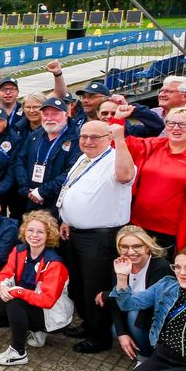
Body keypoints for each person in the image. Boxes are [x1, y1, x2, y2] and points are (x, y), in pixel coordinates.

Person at [57, 121, 137, 354]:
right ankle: (87, 324)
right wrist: (67, 218)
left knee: (96, 286)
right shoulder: (85, 158)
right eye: (84, 137)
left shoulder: (116, 158)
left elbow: (125, 176)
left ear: (108, 138)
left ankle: (100, 336)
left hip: (100, 237)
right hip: (76, 232)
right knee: (80, 284)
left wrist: (121, 140)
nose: (88, 141)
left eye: (95, 137)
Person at [113, 104, 186, 253]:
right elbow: (115, 145)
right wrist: (118, 118)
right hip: (137, 226)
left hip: (172, 233)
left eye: (184, 124)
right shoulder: (151, 146)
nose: (176, 128)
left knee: (163, 274)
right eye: (171, 123)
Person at [0, 211, 73, 366]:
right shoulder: (19, 250)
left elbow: (47, 300)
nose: (34, 235)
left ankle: (18, 352)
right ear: (24, 231)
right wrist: (2, 288)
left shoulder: (54, 263)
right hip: (27, 302)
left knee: (15, 303)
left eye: (40, 232)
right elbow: (4, 273)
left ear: (49, 235)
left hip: (51, 314)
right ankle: (30, 329)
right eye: (30, 230)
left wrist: (17, 291)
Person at [108, 226, 171, 361]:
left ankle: (145, 357)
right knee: (116, 329)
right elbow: (115, 300)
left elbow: (155, 304)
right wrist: (122, 334)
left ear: (147, 247)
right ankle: (143, 351)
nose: (131, 251)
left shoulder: (160, 267)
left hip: (157, 317)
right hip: (134, 313)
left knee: (134, 315)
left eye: (137, 246)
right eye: (124, 247)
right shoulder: (120, 264)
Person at [10, 97, 79, 219]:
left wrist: (42, 192)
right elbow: (20, 160)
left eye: (55, 114)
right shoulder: (35, 136)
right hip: (31, 199)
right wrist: (26, 189)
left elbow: (72, 172)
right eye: (46, 114)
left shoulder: (75, 139)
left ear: (66, 114)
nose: (49, 118)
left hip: (58, 203)